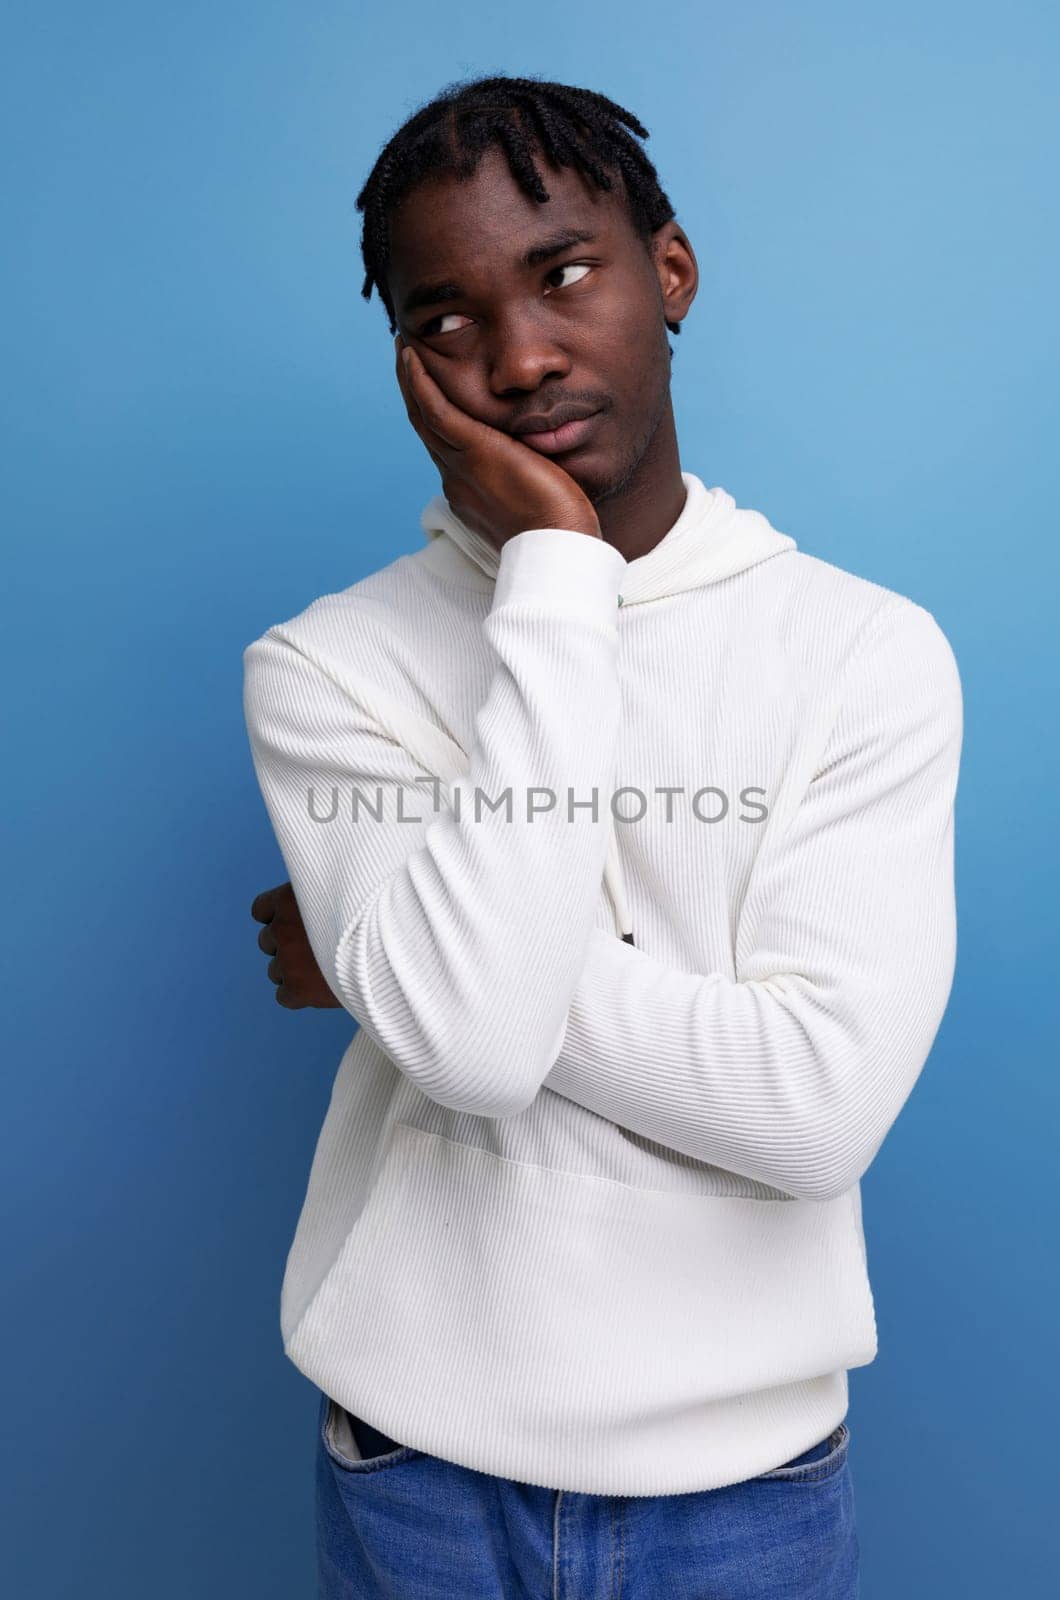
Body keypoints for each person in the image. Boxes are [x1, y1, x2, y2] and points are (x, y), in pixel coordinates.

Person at [242, 72, 962, 1599]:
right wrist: (559, 578)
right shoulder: (326, 671)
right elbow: (477, 1053)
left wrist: (400, 968)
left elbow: (814, 1111)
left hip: (747, 1483)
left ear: (671, 271)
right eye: (447, 320)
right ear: (406, 363)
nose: (519, 354)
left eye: (564, 272)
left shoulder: (865, 653)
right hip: (419, 1465)